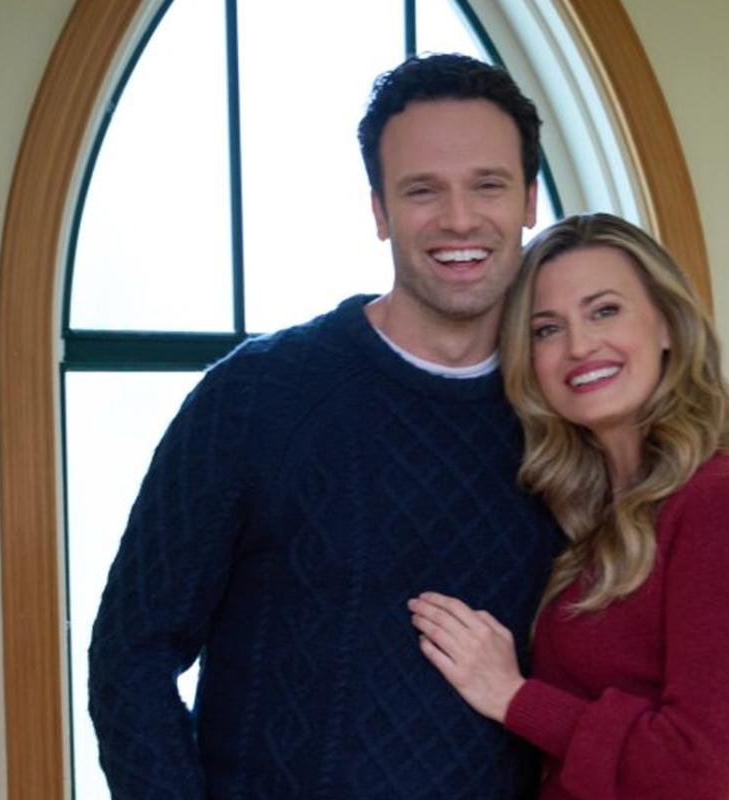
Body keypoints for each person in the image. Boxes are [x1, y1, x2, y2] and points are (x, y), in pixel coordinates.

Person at [88, 54, 562, 799]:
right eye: (422, 190)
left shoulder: (567, 419)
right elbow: (131, 654)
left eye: (488, 185)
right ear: (379, 210)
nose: (459, 219)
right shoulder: (256, 398)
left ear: (529, 200)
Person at [409, 213, 729, 800]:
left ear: (667, 325)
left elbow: (693, 774)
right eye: (547, 329)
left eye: (605, 311)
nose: (579, 346)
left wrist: (512, 696)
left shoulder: (727, 500)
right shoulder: (587, 512)